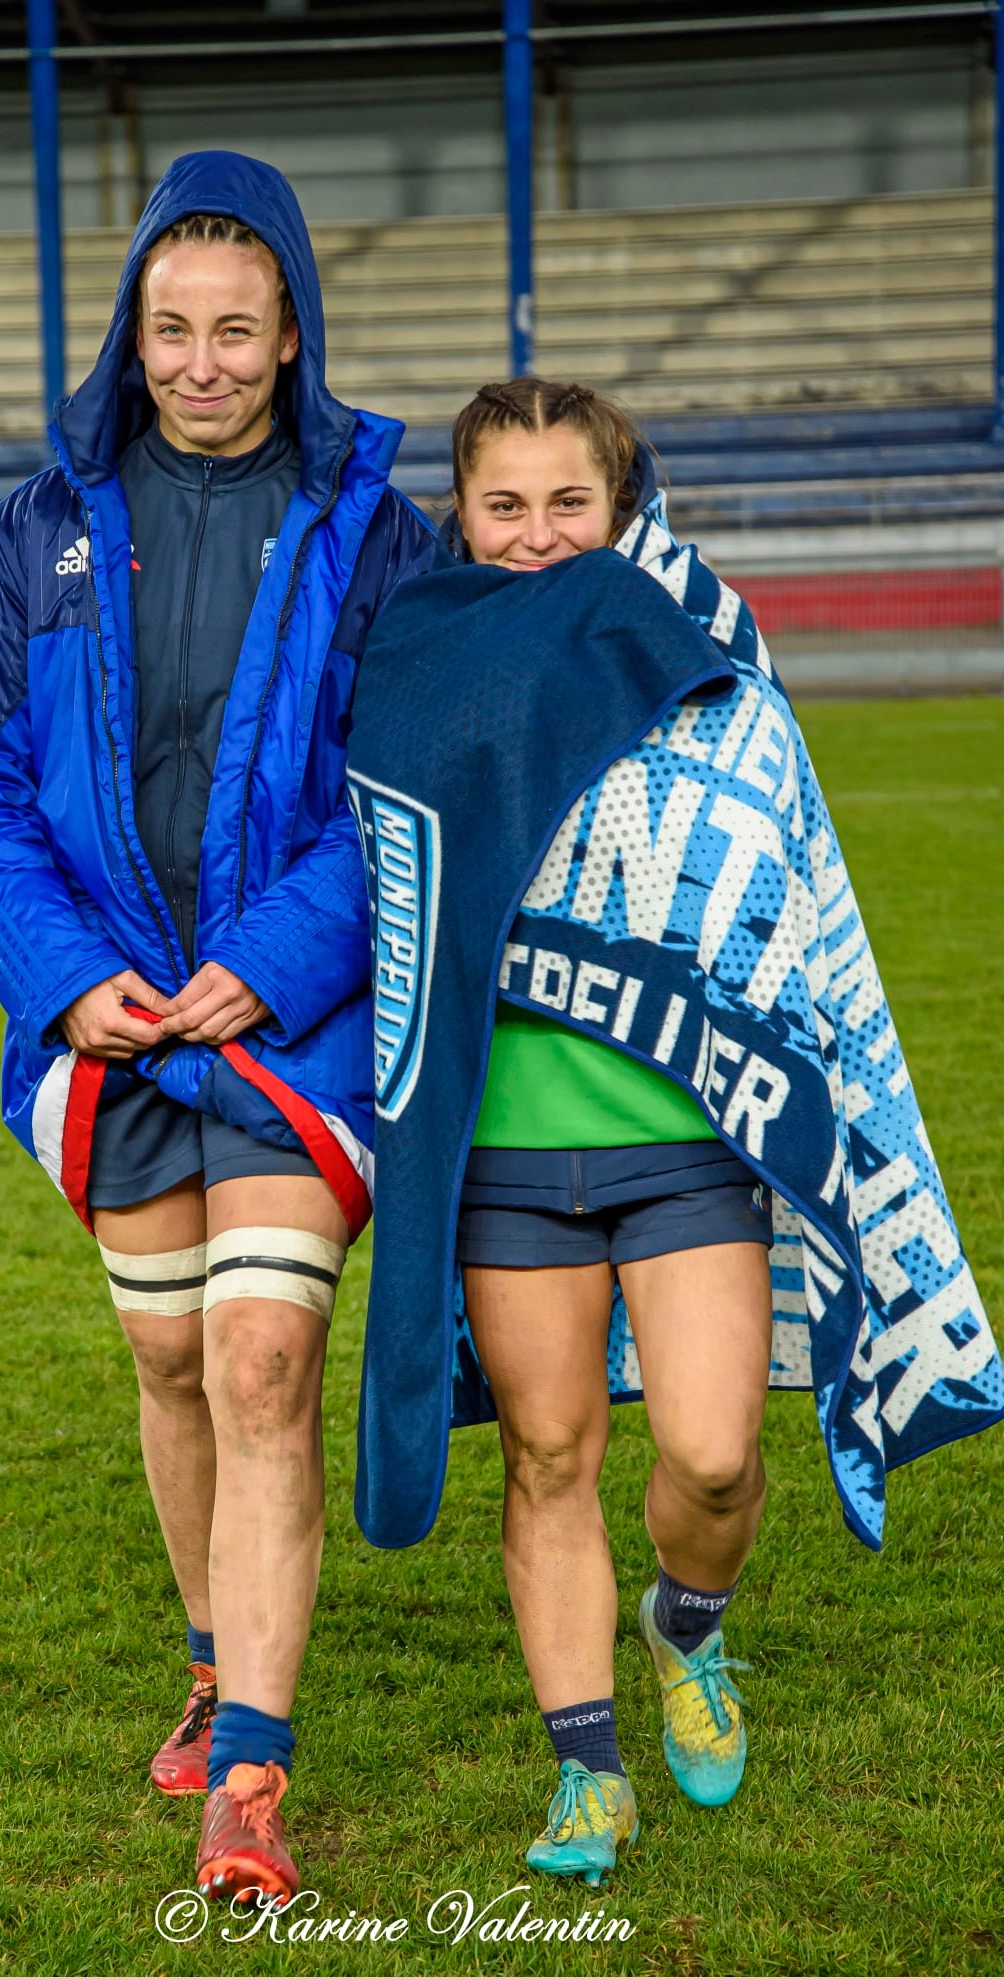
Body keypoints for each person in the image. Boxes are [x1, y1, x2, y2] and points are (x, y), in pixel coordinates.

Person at [345, 377, 1002, 1888]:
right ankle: (588, 1769)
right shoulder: (414, 665)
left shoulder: (708, 657)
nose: (535, 534)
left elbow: (774, 874)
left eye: (568, 503)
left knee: (712, 1458)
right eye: (503, 505)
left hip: (691, 1129)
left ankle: (687, 1628)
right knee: (548, 1450)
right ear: (462, 516)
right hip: (506, 1149)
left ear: (622, 509)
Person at [0, 150, 437, 1906]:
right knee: (167, 1360)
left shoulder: (377, 532)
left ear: (293, 334)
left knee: (263, 1358)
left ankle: (252, 1775)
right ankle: (213, 1652)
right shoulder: (35, 528)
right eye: (172, 329)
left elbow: (409, 784)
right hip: (117, 1023)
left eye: (236, 328)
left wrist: (280, 957)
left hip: (297, 1026)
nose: (202, 362)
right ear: (131, 336)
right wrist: (68, 976)